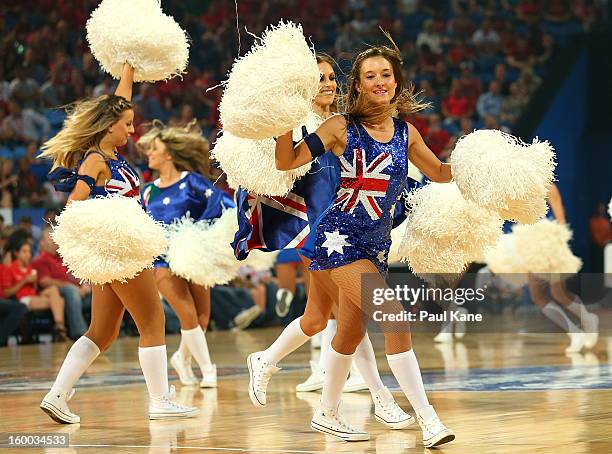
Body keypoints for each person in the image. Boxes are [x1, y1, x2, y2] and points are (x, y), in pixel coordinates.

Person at [248, 45, 455, 447]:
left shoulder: (406, 133)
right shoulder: (340, 126)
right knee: (394, 317)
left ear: (397, 80)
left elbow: (440, 173)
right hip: (336, 241)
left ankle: (326, 412)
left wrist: (478, 167)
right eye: (370, 76)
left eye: (386, 74)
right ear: (358, 85)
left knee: (347, 334)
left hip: (377, 244)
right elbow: (286, 161)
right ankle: (428, 418)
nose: (380, 82)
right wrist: (284, 121)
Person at [38, 63, 198, 424]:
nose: (130, 128)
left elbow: (118, 100)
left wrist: (127, 67)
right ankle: (160, 400)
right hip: (121, 251)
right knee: (153, 322)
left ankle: (57, 395)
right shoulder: (95, 159)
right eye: (126, 124)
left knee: (103, 331)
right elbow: (73, 206)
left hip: (114, 255)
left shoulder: (108, 154)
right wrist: (101, 240)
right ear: (109, 126)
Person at [139, 119, 234, 388]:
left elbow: (220, 203)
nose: (150, 154)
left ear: (168, 154)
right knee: (188, 315)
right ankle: (209, 370)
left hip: (194, 256)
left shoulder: (191, 182)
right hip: (162, 261)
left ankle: (181, 358)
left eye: (154, 148)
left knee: (202, 317)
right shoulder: (148, 192)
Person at [527, 183, 599, 353]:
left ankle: (588, 319)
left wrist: (557, 247)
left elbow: (561, 222)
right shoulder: (520, 189)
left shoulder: (548, 187)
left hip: (551, 245)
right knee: (536, 296)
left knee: (558, 293)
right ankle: (575, 333)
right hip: (531, 246)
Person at [3, 235, 68, 341]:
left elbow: (35, 289)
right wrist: (25, 281)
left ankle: (59, 326)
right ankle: (60, 328)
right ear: (16, 253)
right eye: (24, 252)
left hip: (34, 297)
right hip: (21, 300)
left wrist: (34, 282)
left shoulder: (30, 268)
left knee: (53, 290)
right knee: (59, 301)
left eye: (29, 252)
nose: (28, 255)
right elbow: (7, 293)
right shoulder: (10, 268)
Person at [32, 226, 89, 339]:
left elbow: (79, 276)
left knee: (100, 290)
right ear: (42, 243)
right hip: (57, 293)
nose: (55, 242)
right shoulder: (40, 260)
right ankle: (80, 333)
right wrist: (72, 287)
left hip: (78, 292)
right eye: (51, 239)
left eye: (56, 239)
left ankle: (104, 332)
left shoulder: (65, 258)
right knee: (71, 291)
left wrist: (84, 285)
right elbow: (44, 282)